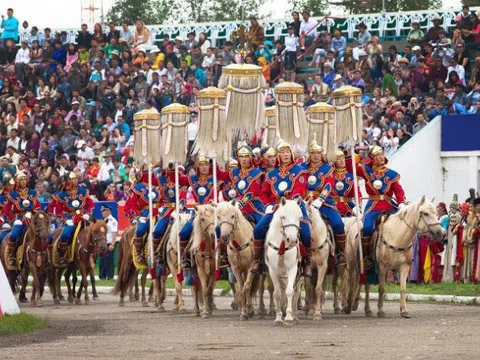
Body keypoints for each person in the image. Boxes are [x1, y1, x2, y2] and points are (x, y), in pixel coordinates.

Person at [252, 139, 312, 276]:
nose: (285, 155)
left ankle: (307, 261)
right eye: (282, 152)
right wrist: (267, 205)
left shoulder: (300, 172)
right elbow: (263, 193)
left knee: (307, 233)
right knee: (258, 230)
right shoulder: (271, 174)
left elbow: (299, 191)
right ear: (278, 155)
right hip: (276, 207)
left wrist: (291, 203)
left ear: (291, 154)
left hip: (295, 206)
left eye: (288, 152)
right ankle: (257, 260)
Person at [346, 146, 406, 269]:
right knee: (367, 227)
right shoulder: (366, 170)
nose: (380, 157)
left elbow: (398, 190)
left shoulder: (391, 174)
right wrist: (352, 155)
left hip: (390, 205)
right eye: (377, 155)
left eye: (381, 154)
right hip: (374, 205)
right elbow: (350, 168)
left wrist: (401, 203)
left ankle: (404, 253)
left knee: (404, 223)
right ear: (372, 158)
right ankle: (366, 255)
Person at [302, 137, 346, 262]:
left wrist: (320, 200)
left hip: (324, 202)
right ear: (309, 154)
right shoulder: (302, 167)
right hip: (305, 201)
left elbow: (328, 185)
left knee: (338, 224)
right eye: (313, 153)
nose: (316, 156)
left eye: (318, 153)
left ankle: (341, 253)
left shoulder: (328, 169)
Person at [47, 172, 94, 265]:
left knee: (95, 232)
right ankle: (62, 255)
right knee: (65, 234)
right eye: (72, 179)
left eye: (75, 178)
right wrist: (65, 220)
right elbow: (59, 211)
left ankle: (93, 254)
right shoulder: (61, 194)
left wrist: (88, 214)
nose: (75, 180)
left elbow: (90, 204)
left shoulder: (83, 191)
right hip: (70, 219)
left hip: (83, 217)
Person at [218, 142, 264, 224]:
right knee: (218, 229)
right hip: (235, 207)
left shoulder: (257, 173)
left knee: (260, 229)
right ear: (238, 158)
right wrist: (213, 163)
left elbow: (251, 192)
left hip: (253, 208)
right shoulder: (234, 171)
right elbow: (220, 175)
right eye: (241, 156)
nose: (244, 159)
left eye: (246, 156)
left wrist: (240, 203)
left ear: (251, 158)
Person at [3, 171, 40, 268]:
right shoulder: (13, 194)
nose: (24, 181)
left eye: (25, 179)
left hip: (32, 218)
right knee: (14, 235)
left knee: (44, 233)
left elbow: (38, 206)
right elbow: (6, 210)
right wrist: (13, 219)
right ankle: (11, 256)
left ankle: (45, 255)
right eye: (22, 179)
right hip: (19, 219)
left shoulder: (33, 193)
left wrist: (34, 213)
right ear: (18, 182)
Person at [124, 167, 159, 266]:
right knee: (140, 229)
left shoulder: (158, 186)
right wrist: (137, 217)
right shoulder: (137, 187)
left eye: (150, 172)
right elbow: (132, 204)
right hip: (145, 213)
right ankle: (139, 253)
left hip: (160, 211)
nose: (149, 174)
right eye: (147, 172)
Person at [331, 150, 358, 217]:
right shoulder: (329, 175)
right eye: (338, 159)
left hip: (349, 206)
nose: (342, 160)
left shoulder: (352, 175)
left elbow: (357, 191)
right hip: (333, 206)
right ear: (334, 161)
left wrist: (359, 204)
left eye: (343, 158)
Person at [99, 205, 117, 280]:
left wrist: (112, 244)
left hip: (109, 243)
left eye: (104, 211)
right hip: (103, 244)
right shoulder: (103, 220)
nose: (102, 212)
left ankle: (109, 276)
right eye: (102, 211)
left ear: (109, 211)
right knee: (102, 260)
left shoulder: (112, 221)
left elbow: (114, 233)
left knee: (108, 260)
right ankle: (102, 276)